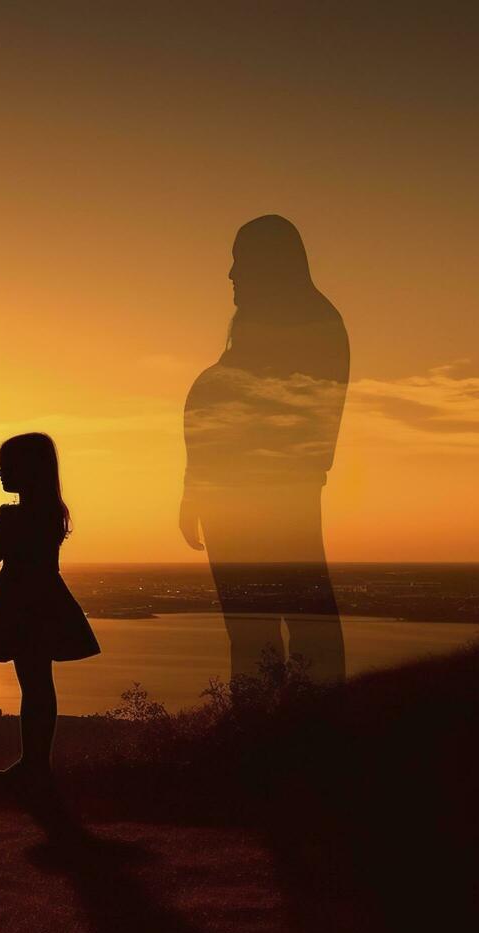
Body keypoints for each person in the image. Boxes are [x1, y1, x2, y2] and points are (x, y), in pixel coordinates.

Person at [179, 215, 349, 683]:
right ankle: (266, 724)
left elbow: (285, 419)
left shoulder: (310, 323)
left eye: (238, 263)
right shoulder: (272, 326)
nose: (230, 275)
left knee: (285, 622)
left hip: (269, 499)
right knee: (255, 628)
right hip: (235, 498)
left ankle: (293, 727)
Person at [0, 433, 99, 792]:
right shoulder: (50, 511)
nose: (0, 474)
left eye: (6, 467)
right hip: (41, 598)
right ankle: (34, 763)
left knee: (34, 686)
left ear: (27, 470)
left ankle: (34, 765)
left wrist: (3, 520)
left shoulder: (24, 514)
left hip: (24, 601)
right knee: (37, 685)